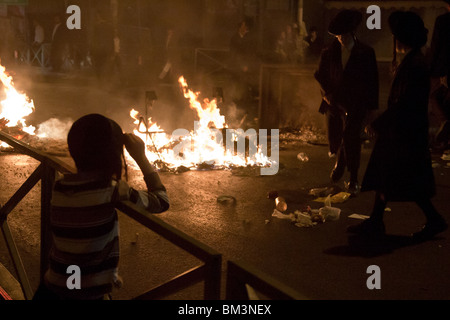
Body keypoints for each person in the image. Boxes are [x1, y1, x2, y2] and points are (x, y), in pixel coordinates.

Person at [33, 114, 170, 300]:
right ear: (113, 155)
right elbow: (161, 201)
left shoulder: (60, 186)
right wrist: (141, 157)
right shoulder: (111, 190)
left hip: (51, 289)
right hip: (85, 295)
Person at [348, 11, 448, 241]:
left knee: (405, 180)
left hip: (405, 133)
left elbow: (404, 103)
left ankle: (432, 219)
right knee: (390, 177)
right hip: (403, 131)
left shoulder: (415, 65)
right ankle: (377, 221)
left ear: (403, 39)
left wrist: (379, 123)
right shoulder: (414, 61)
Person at [314, 9, 379, 196]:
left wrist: (372, 109)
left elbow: (372, 81)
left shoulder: (366, 52)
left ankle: (354, 177)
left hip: (356, 102)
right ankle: (340, 161)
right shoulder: (329, 51)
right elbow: (320, 75)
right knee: (336, 137)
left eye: (342, 35)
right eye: (337, 35)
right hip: (334, 101)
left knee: (351, 138)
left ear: (351, 33)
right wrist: (325, 94)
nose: (340, 38)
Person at [429, 0, 450, 146]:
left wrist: (432, 69)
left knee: (434, 97)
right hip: (443, 68)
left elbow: (436, 46)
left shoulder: (443, 21)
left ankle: (445, 122)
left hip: (442, 68)